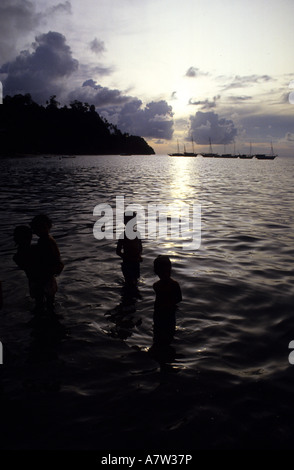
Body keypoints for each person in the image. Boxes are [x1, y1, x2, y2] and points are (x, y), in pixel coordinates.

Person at [29, 214, 64, 314]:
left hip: (46, 275)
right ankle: (49, 314)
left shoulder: (46, 241)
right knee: (48, 299)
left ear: (49, 227)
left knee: (42, 299)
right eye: (38, 228)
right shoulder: (46, 239)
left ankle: (44, 314)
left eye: (43, 227)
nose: (41, 230)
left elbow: (47, 257)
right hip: (48, 274)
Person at [152, 255, 182, 347]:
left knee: (168, 333)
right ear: (157, 272)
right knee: (158, 332)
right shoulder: (156, 285)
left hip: (169, 313)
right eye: (162, 272)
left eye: (167, 271)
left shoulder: (174, 284)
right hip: (159, 313)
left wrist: (170, 304)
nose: (165, 274)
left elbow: (179, 298)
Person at [116, 211, 142, 286]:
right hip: (127, 263)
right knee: (129, 282)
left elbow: (140, 247)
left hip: (136, 262)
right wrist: (126, 257)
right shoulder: (122, 236)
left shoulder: (137, 234)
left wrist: (139, 255)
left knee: (135, 281)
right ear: (125, 222)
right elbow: (118, 251)